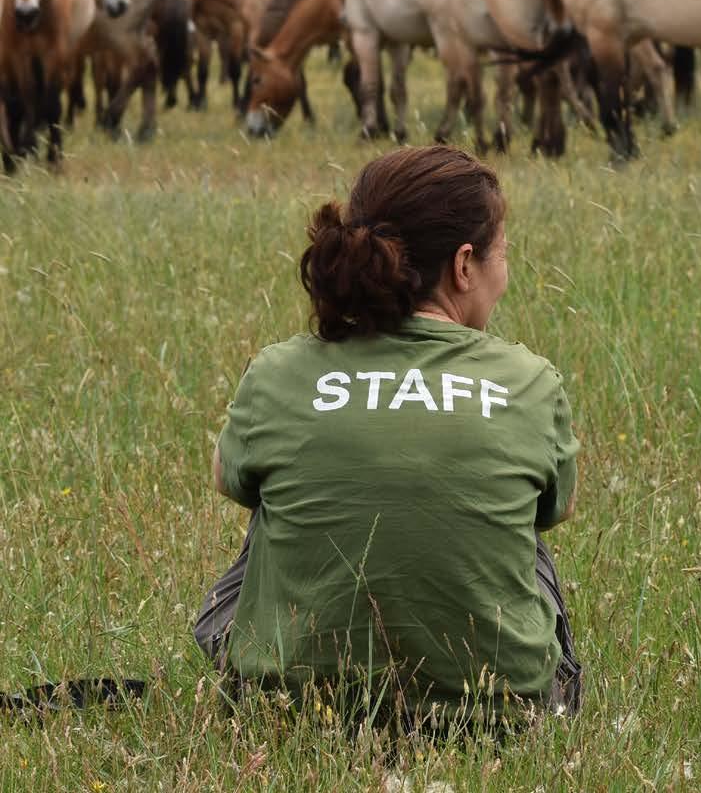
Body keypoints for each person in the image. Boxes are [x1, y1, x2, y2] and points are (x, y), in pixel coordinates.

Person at [193, 146, 581, 728]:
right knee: (522, 522)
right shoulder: (529, 381)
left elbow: (227, 478)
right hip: (494, 715)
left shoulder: (277, 372)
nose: (505, 273)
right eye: (504, 254)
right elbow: (558, 509)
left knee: (272, 503)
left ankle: (293, 669)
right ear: (465, 265)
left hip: (291, 714)